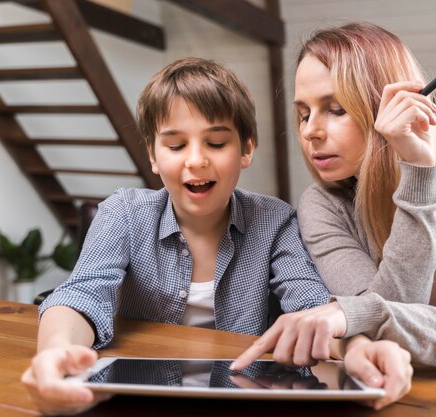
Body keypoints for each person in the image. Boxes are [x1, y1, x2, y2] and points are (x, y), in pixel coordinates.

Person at [20, 57, 338, 415]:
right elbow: (83, 293)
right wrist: (56, 350)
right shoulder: (123, 212)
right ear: (153, 156)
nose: (196, 160)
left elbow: (310, 304)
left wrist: (345, 340)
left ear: (247, 149)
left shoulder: (275, 219)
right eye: (175, 146)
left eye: (216, 143)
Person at [233, 22, 436, 377]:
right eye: (303, 113)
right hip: (402, 393)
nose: (310, 130)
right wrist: (418, 176)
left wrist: (418, 162)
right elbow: (376, 334)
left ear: (389, 106)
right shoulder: (323, 204)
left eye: (336, 109)